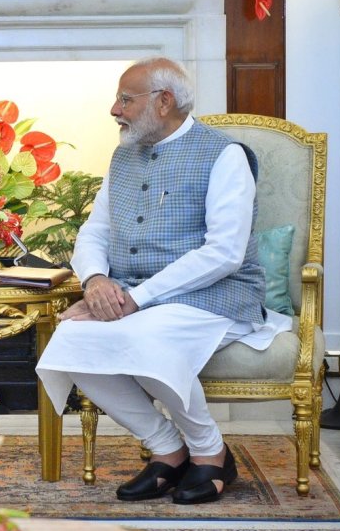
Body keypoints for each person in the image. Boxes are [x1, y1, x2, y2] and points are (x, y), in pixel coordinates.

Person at [36, 57, 291, 505]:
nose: (115, 109)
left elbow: (224, 253)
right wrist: (95, 280)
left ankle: (211, 454)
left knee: (147, 336)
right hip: (137, 296)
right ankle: (167, 449)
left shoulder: (224, 155)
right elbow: (95, 231)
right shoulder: (122, 157)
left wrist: (137, 299)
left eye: (125, 99)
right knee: (70, 338)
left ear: (164, 101)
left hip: (216, 296)